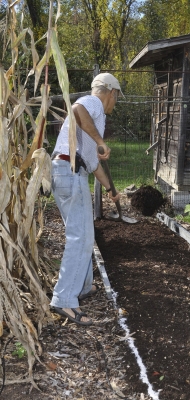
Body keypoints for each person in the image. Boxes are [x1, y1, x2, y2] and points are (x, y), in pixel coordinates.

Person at [50, 73, 123, 326]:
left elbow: (93, 165)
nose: (115, 103)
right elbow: (77, 108)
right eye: (116, 98)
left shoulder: (93, 123)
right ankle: (64, 299)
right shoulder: (93, 105)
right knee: (80, 236)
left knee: (83, 234)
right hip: (70, 172)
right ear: (110, 92)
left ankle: (81, 287)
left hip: (69, 171)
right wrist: (100, 140)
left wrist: (111, 190)